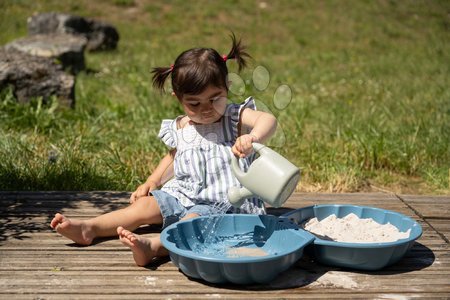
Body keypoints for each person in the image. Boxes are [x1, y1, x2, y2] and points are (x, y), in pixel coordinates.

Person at [50, 33, 277, 267]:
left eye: (215, 98)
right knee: (143, 206)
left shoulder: (233, 117)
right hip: (184, 193)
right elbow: (174, 157)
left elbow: (268, 119)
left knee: (192, 221)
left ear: (227, 87)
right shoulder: (182, 126)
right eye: (194, 103)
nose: (206, 109)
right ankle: (91, 228)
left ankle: (155, 247)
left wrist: (253, 136)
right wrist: (153, 181)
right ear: (178, 98)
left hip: (224, 202)